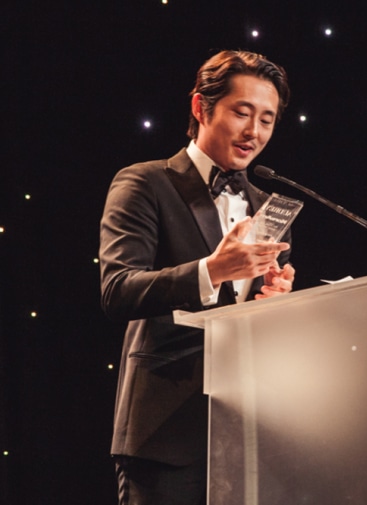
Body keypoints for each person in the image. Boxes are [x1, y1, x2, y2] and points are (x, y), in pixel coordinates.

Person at [99, 50, 295, 505]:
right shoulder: (144, 183)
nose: (254, 132)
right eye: (241, 113)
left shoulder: (271, 206)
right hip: (166, 434)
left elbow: (253, 318)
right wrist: (213, 270)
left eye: (266, 119)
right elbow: (117, 290)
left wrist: (277, 307)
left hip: (249, 434)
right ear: (200, 108)